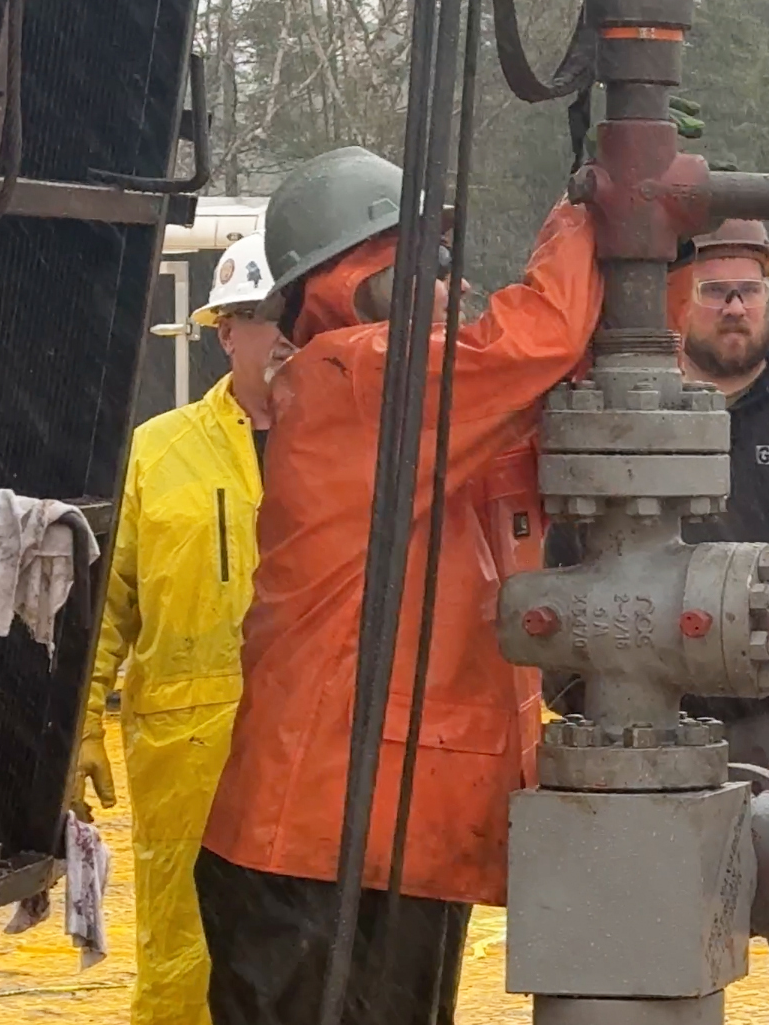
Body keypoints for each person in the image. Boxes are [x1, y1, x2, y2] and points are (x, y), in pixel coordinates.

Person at [192, 146, 601, 1025]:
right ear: (364, 277)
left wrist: (666, 263)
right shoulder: (359, 375)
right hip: (320, 846)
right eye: (432, 265)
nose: (456, 286)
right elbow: (544, 339)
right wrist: (589, 211)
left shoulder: (421, 411)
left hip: (385, 837)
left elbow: (568, 371)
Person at [548, 219, 769, 1025]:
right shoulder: (621, 415)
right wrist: (583, 695)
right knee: (641, 935)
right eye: (716, 291)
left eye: (751, 291)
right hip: (657, 734)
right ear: (678, 299)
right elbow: (567, 564)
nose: (736, 308)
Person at [71, 232, 290, 1025]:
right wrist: (81, 726)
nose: (281, 335)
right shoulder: (158, 452)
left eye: (289, 314)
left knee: (307, 944)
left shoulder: (350, 447)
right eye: (261, 316)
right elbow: (107, 604)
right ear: (225, 332)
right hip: (187, 747)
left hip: (316, 739)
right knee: (183, 948)